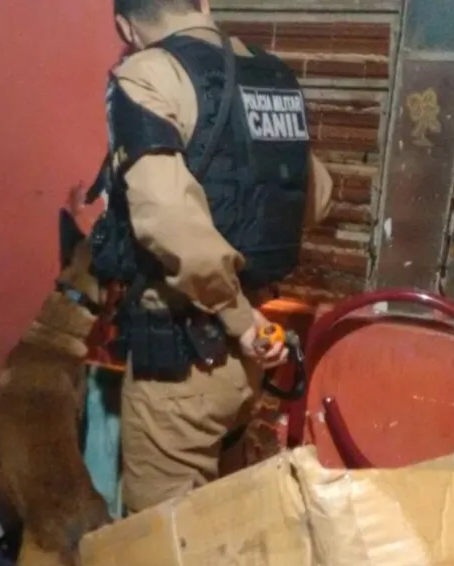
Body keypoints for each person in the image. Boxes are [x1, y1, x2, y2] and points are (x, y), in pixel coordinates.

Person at [91, 0, 333, 513]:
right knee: (225, 519)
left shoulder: (147, 74)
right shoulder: (271, 74)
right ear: (203, 3)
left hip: (183, 357)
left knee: (163, 540)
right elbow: (316, 199)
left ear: (125, 28)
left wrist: (235, 317)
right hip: (246, 360)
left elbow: (168, 219)